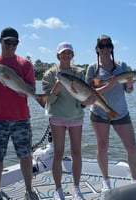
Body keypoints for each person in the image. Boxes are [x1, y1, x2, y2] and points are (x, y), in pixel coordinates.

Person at [0, 27, 38, 200]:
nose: (11, 45)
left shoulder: (25, 64)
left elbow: (32, 88)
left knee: (25, 156)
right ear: (0, 41)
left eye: (14, 42)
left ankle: (29, 190)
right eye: (7, 42)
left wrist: (25, 91)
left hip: (21, 119)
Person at [42, 42, 95, 200]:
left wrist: (87, 102)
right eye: (63, 53)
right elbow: (48, 100)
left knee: (76, 153)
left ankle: (76, 188)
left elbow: (83, 97)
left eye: (69, 53)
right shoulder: (50, 75)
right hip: (57, 117)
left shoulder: (79, 72)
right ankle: (58, 190)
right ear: (58, 55)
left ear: (72, 55)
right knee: (58, 154)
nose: (66, 55)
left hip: (76, 117)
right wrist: (57, 87)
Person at [85, 34, 136, 192]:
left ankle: (134, 181)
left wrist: (130, 85)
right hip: (99, 112)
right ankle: (106, 181)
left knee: (132, 147)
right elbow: (89, 93)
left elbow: (128, 91)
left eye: (108, 46)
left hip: (121, 112)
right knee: (102, 146)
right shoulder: (92, 68)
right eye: (102, 46)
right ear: (97, 49)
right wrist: (107, 87)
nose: (105, 49)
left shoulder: (122, 65)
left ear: (112, 48)